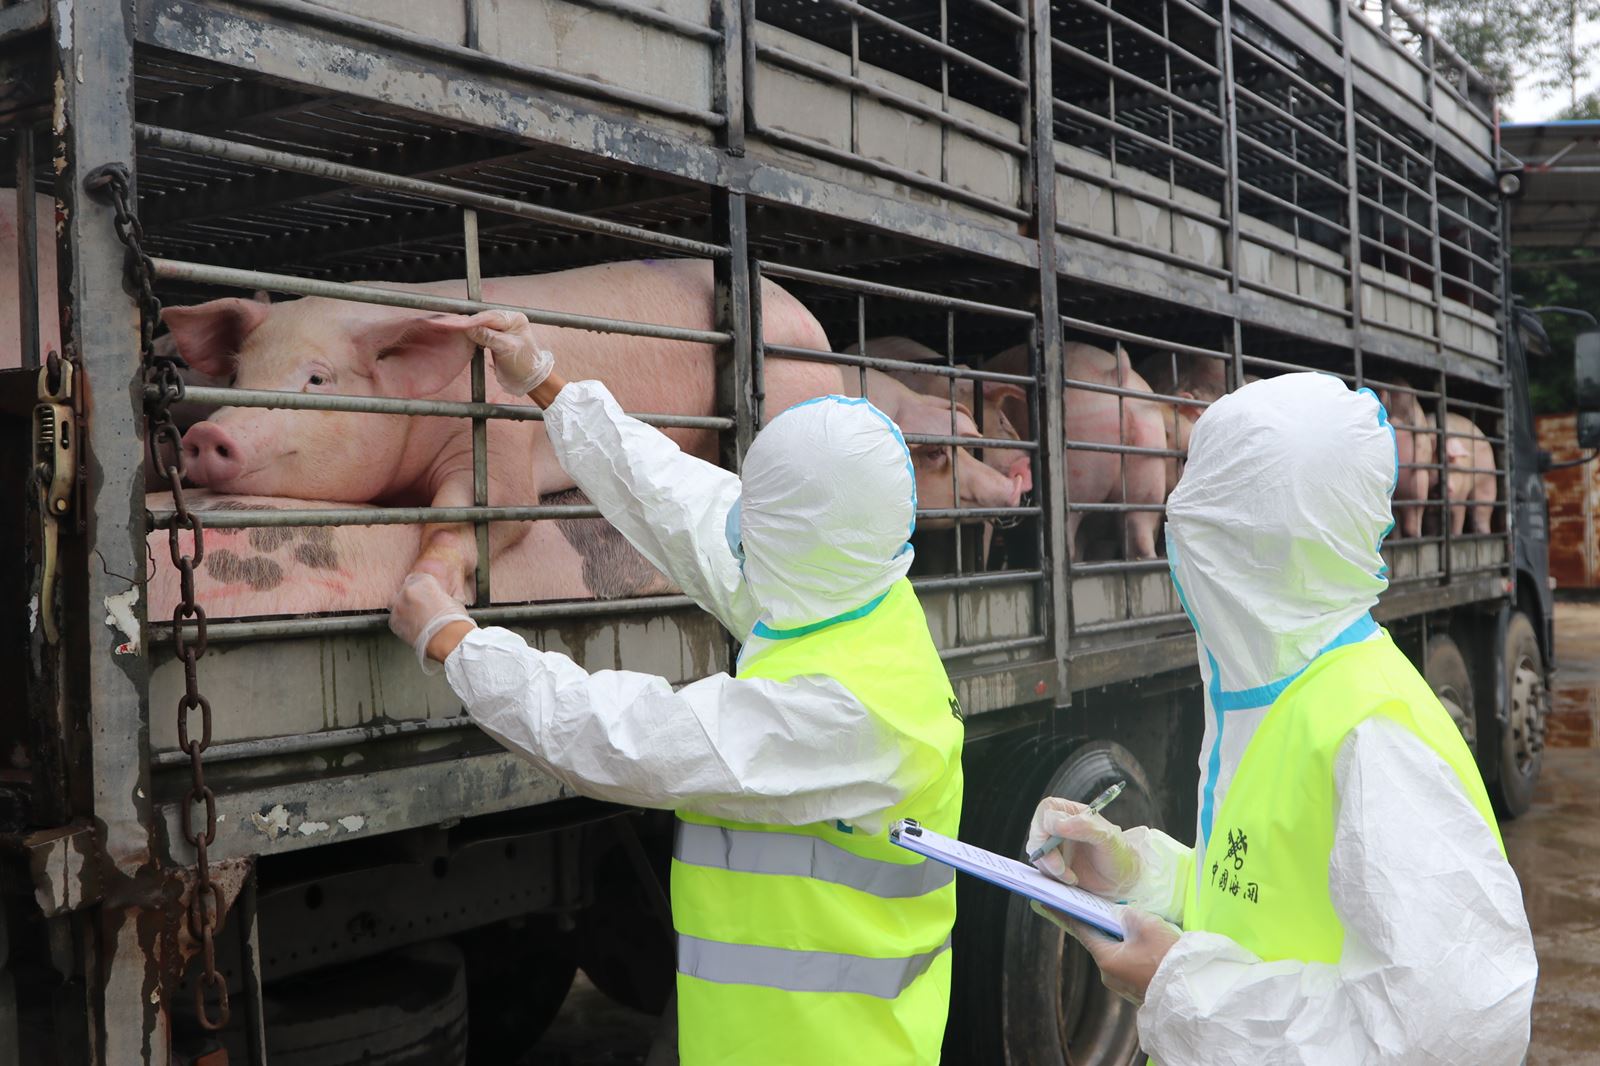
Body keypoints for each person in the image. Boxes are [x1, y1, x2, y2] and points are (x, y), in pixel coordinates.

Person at [388, 311, 964, 1065]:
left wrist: (455, 642)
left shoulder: (853, 713)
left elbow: (628, 739)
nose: (737, 535)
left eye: (756, 526)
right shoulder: (854, 589)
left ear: (791, 543)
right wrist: (546, 381)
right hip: (764, 1039)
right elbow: (676, 496)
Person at [1025, 372, 1536, 1064]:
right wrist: (1137, 879)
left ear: (1259, 539)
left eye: (1208, 516)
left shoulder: (1370, 732)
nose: (1185, 539)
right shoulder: (1282, 692)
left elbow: (1452, 1036)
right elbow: (1275, 901)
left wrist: (1181, 993)